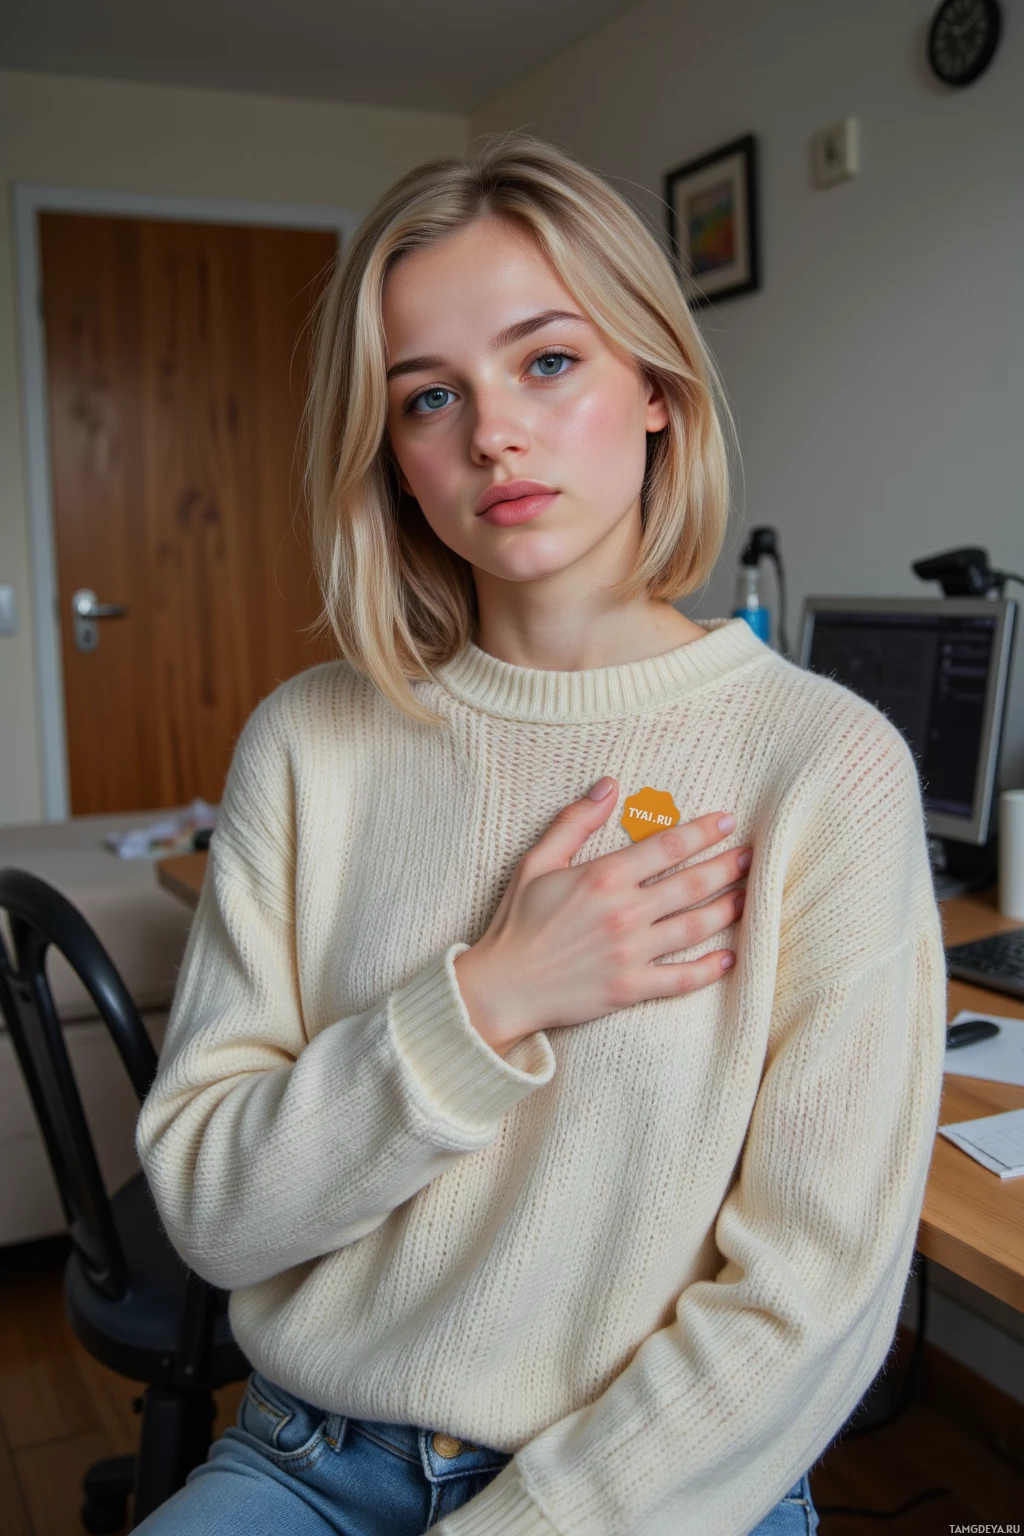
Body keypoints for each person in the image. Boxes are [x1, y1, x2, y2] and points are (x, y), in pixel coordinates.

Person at [133, 134, 947, 1536]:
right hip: (310, 1461)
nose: (491, 433)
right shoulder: (309, 742)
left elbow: (811, 1291)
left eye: (549, 362)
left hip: (661, 1491)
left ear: (656, 391)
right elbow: (214, 1209)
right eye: (429, 396)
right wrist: (491, 996)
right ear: (387, 455)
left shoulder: (825, 768)